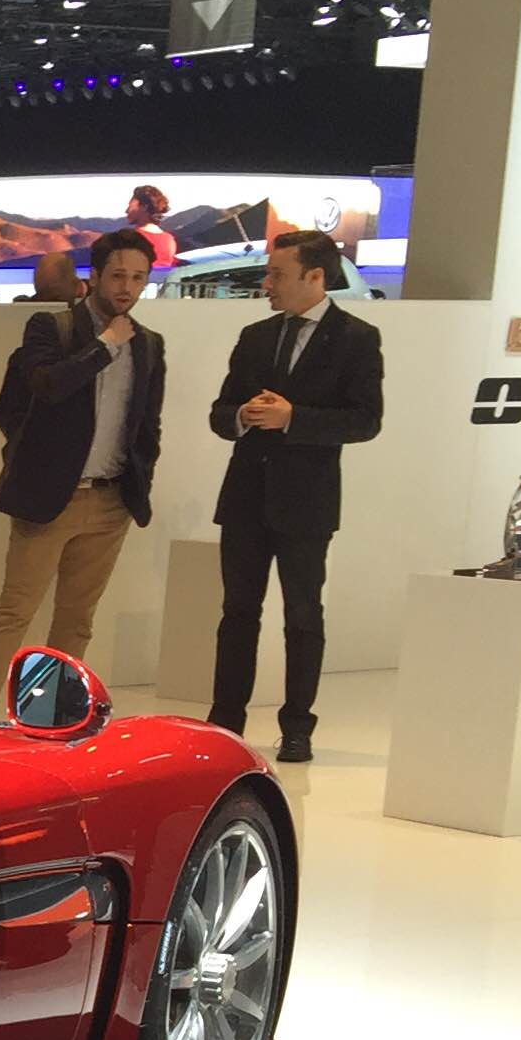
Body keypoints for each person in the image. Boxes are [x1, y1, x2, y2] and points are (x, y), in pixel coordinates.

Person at [0, 228, 166, 715]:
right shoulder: (52, 327)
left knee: (77, 619)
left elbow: (147, 423)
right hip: (51, 495)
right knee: (16, 608)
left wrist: (140, 480)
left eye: (138, 278)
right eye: (118, 275)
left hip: (111, 499)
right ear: (94, 276)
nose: (127, 287)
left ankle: (49, 714)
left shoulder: (149, 344)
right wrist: (105, 346)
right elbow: (48, 385)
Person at [203, 231, 381, 763]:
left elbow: (365, 420)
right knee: (237, 612)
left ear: (314, 276)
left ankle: (297, 726)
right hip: (245, 496)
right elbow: (220, 412)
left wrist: (293, 419)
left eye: (278, 274)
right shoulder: (256, 336)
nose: (268, 283)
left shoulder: (356, 338)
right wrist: (242, 415)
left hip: (307, 503)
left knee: (303, 615)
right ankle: (225, 721)